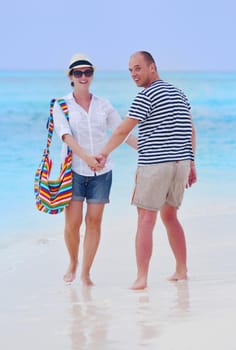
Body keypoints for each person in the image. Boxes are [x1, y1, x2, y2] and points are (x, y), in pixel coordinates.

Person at [97, 51, 197, 290]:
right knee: (170, 217)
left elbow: (122, 131)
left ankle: (141, 278)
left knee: (145, 219)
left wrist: (104, 153)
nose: (134, 74)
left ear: (152, 67)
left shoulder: (146, 96)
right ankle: (181, 271)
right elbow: (190, 129)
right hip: (179, 164)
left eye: (138, 68)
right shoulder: (179, 93)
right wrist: (192, 163)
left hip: (155, 166)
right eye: (130, 69)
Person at [52, 53, 137, 286]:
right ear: (70, 76)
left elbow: (122, 132)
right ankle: (72, 262)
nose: (83, 76)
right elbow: (66, 137)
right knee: (72, 223)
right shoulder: (61, 105)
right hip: (74, 171)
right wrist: (87, 158)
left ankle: (86, 272)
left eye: (87, 72)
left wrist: (147, 149)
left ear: (92, 75)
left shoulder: (103, 105)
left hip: (102, 171)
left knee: (94, 222)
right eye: (78, 73)